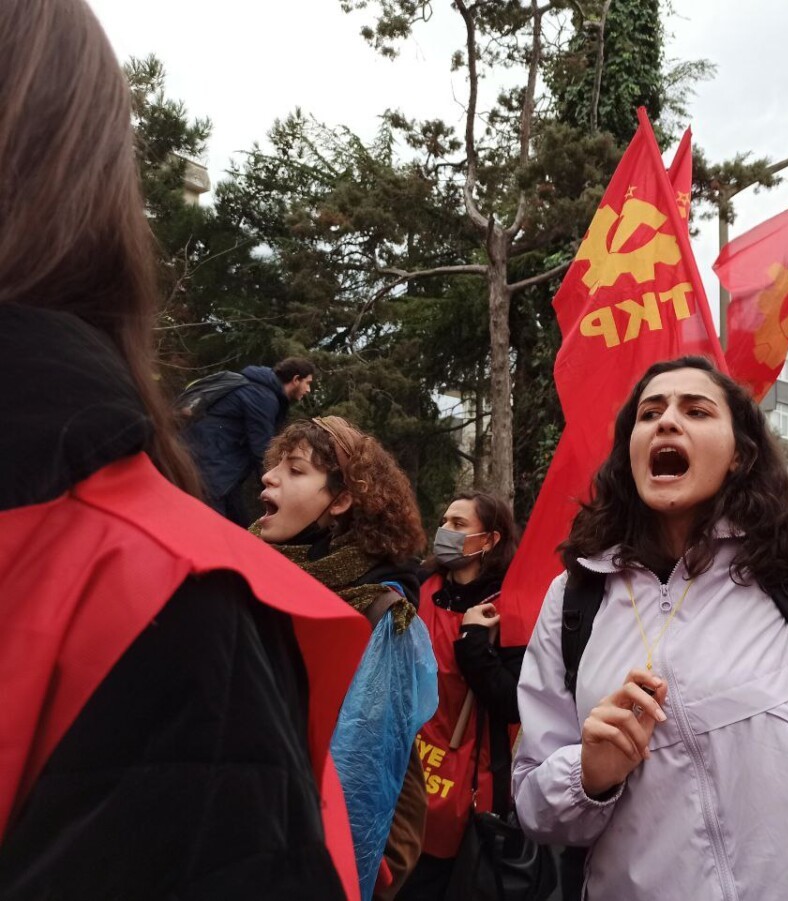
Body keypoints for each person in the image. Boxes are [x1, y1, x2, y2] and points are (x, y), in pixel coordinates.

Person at [513, 94, 788, 900]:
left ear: (740, 449)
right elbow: (536, 806)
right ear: (629, 452)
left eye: (694, 409)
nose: (666, 422)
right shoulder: (572, 601)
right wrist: (591, 772)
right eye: (649, 413)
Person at [0, 2, 368, 896]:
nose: (274, 471)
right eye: (281, 453)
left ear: (350, 499)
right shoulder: (181, 578)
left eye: (300, 465)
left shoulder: (190, 607)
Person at [254, 416, 439, 900]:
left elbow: (364, 779)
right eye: (273, 465)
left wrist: (344, 884)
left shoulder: (381, 612)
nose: (269, 477)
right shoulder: (255, 579)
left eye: (295, 470)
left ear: (339, 501)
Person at [400, 492, 525, 900]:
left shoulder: (511, 610)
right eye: (444, 520)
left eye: (457, 524)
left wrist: (474, 645)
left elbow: (515, 704)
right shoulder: (418, 587)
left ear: (488, 540)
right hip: (406, 770)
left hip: (467, 789)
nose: (444, 531)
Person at [184, 356, 315, 524]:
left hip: (213, 469)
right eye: (308, 383)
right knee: (212, 528)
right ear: (296, 379)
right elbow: (262, 452)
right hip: (209, 471)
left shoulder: (258, 389)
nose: (308, 390)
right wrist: (279, 491)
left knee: (238, 525)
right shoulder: (263, 398)